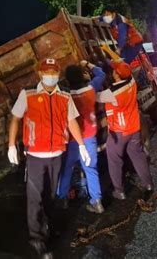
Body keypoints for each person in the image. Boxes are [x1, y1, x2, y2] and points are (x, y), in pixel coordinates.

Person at [7, 58, 89, 257]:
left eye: (53, 72)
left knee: (50, 195)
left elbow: (72, 122)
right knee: (35, 198)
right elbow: (16, 119)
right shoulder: (28, 95)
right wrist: (11, 145)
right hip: (35, 155)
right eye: (46, 72)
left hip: (56, 155)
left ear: (57, 74)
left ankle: (47, 228)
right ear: (40, 74)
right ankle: (36, 239)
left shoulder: (65, 97)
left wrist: (82, 145)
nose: (50, 76)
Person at [97, 60, 153, 199]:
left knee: (115, 161)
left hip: (119, 133)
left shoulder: (111, 93)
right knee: (138, 157)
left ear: (116, 75)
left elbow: (94, 96)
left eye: (114, 70)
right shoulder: (132, 83)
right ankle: (148, 184)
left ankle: (119, 191)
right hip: (133, 129)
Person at [57, 60, 106, 214]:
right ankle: (97, 202)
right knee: (90, 169)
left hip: (71, 140)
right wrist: (88, 64)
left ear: (67, 79)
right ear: (82, 76)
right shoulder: (91, 89)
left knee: (66, 169)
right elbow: (101, 74)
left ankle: (62, 199)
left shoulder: (64, 95)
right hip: (89, 138)